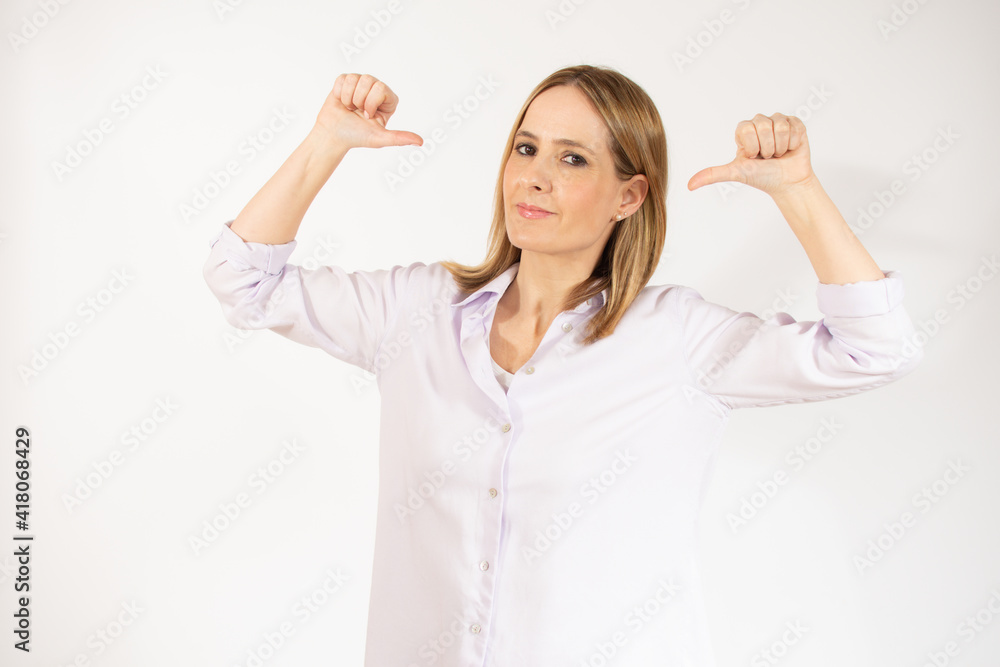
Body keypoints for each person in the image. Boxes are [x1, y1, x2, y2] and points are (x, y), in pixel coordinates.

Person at [203, 67, 923, 666]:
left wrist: (796, 190)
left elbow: (874, 348)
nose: (535, 178)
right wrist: (327, 141)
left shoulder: (675, 339)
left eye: (572, 158)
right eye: (526, 148)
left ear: (629, 195)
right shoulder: (415, 310)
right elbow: (242, 279)